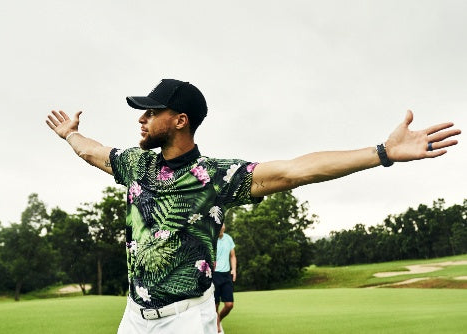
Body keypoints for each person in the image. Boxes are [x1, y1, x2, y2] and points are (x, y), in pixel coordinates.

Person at [46, 78, 460, 334]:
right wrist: (69, 135)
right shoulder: (136, 165)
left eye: (152, 111)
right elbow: (93, 151)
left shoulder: (219, 176)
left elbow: (298, 170)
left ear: (180, 120)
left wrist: (382, 152)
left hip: (188, 320)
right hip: (134, 317)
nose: (142, 118)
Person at [213, 223, 236, 333]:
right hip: (214, 274)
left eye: (223, 225)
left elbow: (232, 256)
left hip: (226, 275)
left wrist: (234, 270)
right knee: (215, 305)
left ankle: (218, 320)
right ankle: (216, 325)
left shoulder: (228, 239)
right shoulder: (212, 239)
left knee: (229, 305)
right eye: (219, 225)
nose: (222, 227)